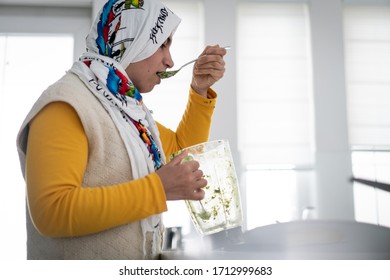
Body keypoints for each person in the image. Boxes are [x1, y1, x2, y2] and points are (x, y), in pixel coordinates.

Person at [16, 0, 227, 260]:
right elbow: (52, 212)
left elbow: (182, 153)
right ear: (133, 39)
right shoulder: (66, 103)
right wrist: (157, 190)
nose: (170, 60)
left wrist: (199, 89)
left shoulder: (123, 109)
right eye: (162, 43)